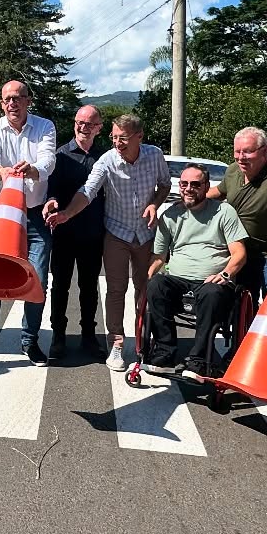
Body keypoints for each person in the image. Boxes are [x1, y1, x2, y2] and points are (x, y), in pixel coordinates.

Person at [45, 113, 168, 372]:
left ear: (139, 137)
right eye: (114, 137)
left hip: (145, 233)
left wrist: (154, 204)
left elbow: (164, 185)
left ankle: (144, 342)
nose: (117, 143)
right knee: (115, 290)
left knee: (145, 288)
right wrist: (66, 214)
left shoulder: (155, 155)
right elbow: (87, 191)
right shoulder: (107, 160)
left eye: (123, 138)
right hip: (116, 232)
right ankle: (116, 343)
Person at [0, 79, 57, 376]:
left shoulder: (44, 126)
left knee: (37, 280)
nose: (13, 103)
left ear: (28, 101)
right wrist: (3, 172)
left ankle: (29, 340)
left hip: (35, 215)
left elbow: (48, 161)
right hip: (3, 214)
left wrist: (32, 169)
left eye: (18, 97)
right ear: (2, 103)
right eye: (7, 99)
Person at [145, 164, 249, 378]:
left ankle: (198, 359)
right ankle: (164, 351)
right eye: (184, 184)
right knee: (156, 285)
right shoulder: (170, 215)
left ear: (206, 186)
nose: (188, 189)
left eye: (195, 184)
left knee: (211, 292)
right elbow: (159, 257)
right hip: (177, 280)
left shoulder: (224, 212)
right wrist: (146, 281)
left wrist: (225, 275)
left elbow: (239, 253)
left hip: (212, 282)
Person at [41, 105, 106, 361]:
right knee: (60, 286)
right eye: (80, 122)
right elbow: (51, 190)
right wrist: (52, 201)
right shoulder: (61, 155)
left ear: (99, 128)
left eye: (89, 124)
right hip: (64, 232)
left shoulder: (105, 157)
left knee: (89, 287)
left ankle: (89, 335)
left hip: (94, 233)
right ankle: (58, 335)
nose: (83, 127)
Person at [211, 127, 267, 298]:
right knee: (238, 301)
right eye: (237, 151)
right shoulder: (233, 170)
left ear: (264, 152)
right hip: (238, 250)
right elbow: (219, 192)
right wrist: (191, 199)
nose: (241, 157)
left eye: (247, 151)